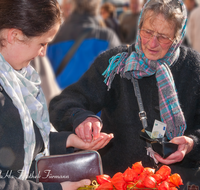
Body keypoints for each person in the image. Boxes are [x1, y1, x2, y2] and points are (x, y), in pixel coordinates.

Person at [49, 0, 200, 188]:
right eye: (147, 32)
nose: (152, 43)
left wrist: (191, 144)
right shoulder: (115, 63)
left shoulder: (194, 67)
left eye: (163, 37)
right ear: (139, 26)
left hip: (177, 182)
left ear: (178, 37)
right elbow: (63, 103)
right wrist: (82, 119)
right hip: (119, 181)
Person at [0, 0, 114, 190]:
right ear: (14, 35)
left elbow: (19, 140)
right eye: (42, 43)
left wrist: (70, 140)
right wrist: (56, 188)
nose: (44, 53)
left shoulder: (16, 78)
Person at [47, 0, 121, 89]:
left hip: (60, 99)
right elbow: (119, 82)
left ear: (71, 4)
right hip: (94, 101)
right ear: (97, 5)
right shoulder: (107, 37)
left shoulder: (51, 37)